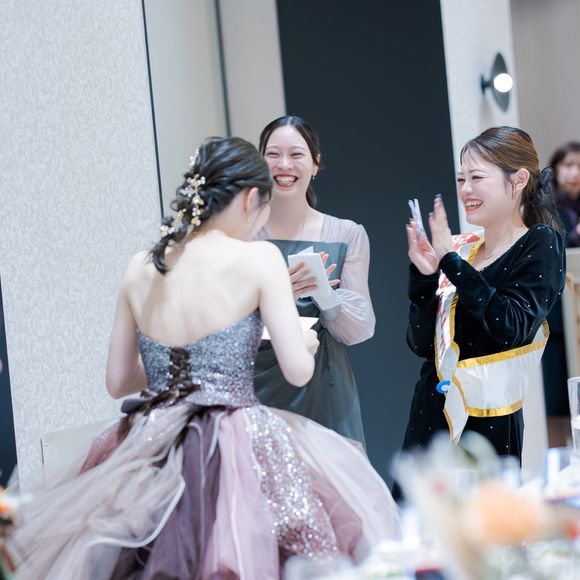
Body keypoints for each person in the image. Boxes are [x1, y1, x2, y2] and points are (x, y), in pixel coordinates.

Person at [8, 137, 399, 579]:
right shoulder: (260, 258)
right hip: (236, 437)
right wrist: (305, 344)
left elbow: (118, 382)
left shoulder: (142, 265)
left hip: (150, 440)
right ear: (250, 199)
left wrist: (177, 367)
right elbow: (296, 371)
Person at [400, 126, 566, 471]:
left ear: (518, 179)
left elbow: (511, 327)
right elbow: (420, 344)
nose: (465, 189)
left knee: (485, 507)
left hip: (487, 425)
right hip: (429, 417)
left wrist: (451, 263)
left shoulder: (539, 242)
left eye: (476, 177)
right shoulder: (465, 249)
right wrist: (425, 276)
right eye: (461, 179)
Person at [254, 115, 374, 446]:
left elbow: (360, 329)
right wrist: (276, 295)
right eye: (273, 154)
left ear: (316, 164)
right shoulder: (243, 234)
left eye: (296, 154)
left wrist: (324, 293)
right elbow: (223, 322)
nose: (284, 165)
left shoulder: (346, 233)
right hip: (256, 384)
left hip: (325, 382)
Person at [542, 141, 580, 446]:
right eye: (568, 165)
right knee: (558, 403)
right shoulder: (547, 208)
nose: (575, 172)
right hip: (557, 322)